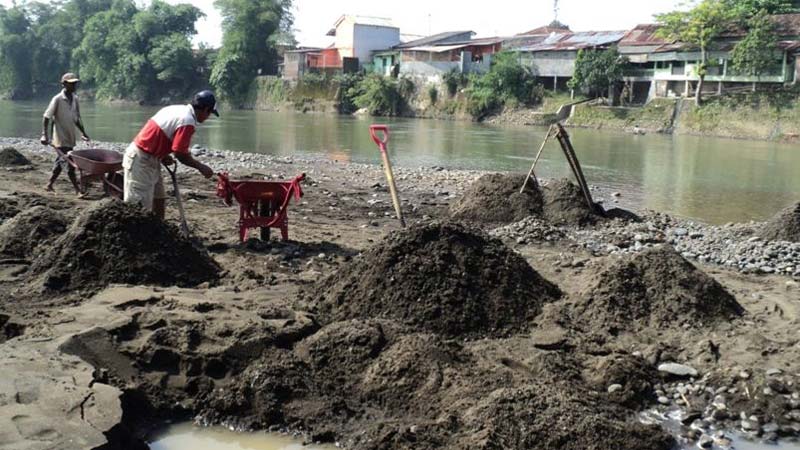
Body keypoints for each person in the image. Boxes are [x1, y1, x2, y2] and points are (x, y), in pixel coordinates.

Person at [123, 90, 217, 219]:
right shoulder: (187, 120)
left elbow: (159, 134)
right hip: (141, 159)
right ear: (206, 109)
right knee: (138, 206)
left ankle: (160, 233)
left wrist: (163, 155)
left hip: (152, 157)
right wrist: (201, 167)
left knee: (159, 199)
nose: (207, 117)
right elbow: (180, 153)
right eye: (209, 114)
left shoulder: (177, 109)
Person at [40, 72, 90, 194]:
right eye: (72, 84)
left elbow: (77, 119)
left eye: (75, 83)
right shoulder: (57, 99)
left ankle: (49, 184)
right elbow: (47, 117)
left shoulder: (75, 99)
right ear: (64, 84)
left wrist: (84, 133)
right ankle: (78, 190)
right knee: (69, 164)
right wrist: (44, 135)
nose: (74, 86)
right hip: (60, 137)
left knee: (61, 161)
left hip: (70, 136)